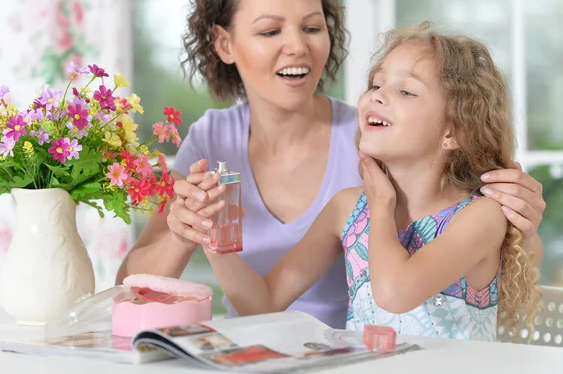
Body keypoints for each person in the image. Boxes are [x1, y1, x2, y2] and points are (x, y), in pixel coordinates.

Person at [116, 0, 546, 329]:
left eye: (311, 27)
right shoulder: (218, 144)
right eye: (270, 30)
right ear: (224, 44)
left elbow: (409, 289)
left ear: (455, 129)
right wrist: (206, 236)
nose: (298, 47)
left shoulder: (392, 168)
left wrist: (524, 228)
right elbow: (256, 303)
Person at [202, 23, 542, 340]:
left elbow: (396, 293)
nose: (376, 96)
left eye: (406, 91)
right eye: (376, 84)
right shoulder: (346, 209)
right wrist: (213, 235)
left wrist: (381, 205)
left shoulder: (481, 215)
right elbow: (262, 303)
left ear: (454, 131)